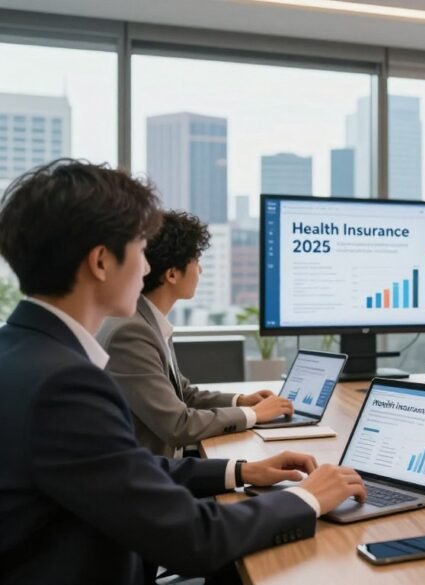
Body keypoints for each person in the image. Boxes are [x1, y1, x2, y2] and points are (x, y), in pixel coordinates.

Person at [0, 160, 367, 584]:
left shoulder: (24, 353)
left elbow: (125, 468)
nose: (145, 267)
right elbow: (194, 537)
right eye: (140, 249)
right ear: (101, 262)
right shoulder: (64, 386)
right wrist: (308, 497)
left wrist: (241, 470)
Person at [97, 210, 293, 458]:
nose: (200, 271)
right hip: (152, 477)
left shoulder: (146, 321)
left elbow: (183, 395)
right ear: (172, 274)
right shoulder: (131, 331)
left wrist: (241, 401)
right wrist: (254, 414)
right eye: (196, 261)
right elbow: (178, 424)